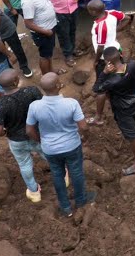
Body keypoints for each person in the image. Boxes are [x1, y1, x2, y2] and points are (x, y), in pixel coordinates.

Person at [26, 72, 94, 217]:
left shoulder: (34, 106)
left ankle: (65, 207)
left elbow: (29, 130)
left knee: (57, 174)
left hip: (50, 149)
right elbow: (84, 127)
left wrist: (40, 140)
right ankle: (81, 201)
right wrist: (85, 137)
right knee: (76, 172)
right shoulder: (71, 103)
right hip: (72, 146)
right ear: (58, 86)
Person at [93, 47, 135, 176]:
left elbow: (97, 88)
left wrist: (104, 72)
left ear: (108, 62)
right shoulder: (132, 65)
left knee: (132, 136)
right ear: (120, 54)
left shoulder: (111, 81)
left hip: (123, 110)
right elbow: (124, 62)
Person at [0, 69, 45, 203]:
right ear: (16, 82)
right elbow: (44, 107)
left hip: (16, 140)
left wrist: (6, 132)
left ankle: (34, 192)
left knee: (25, 165)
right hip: (37, 134)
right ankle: (63, 175)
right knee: (48, 155)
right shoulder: (32, 91)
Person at [22, 0, 63, 76]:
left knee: (48, 54)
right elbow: (28, 23)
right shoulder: (28, 1)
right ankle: (47, 78)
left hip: (50, 27)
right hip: (43, 32)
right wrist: (46, 32)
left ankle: (52, 71)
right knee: (44, 56)